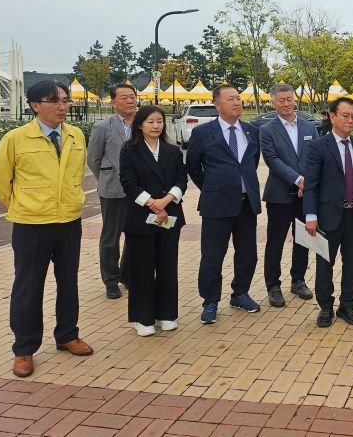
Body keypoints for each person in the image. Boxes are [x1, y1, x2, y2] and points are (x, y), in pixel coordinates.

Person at [0, 80, 94, 378]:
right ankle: (24, 348)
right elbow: (1, 181)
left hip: (69, 221)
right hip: (31, 224)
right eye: (55, 101)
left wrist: (72, 202)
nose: (63, 106)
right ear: (35, 105)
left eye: (65, 100)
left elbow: (77, 176)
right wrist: (24, 205)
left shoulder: (75, 136)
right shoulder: (16, 139)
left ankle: (67, 335)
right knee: (28, 286)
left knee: (68, 281)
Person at [186, 84, 262, 324]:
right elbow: (193, 167)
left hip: (246, 203)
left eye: (239, 98)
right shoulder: (203, 133)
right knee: (212, 255)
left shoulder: (252, 131)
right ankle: (210, 301)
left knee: (247, 253)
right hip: (216, 205)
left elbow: (251, 163)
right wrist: (212, 187)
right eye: (231, 99)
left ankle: (240, 293)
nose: (237, 102)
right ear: (217, 105)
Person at [304, 97, 353, 328]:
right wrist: (310, 216)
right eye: (345, 115)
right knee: (325, 263)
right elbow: (311, 184)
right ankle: (325, 307)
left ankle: (348, 306)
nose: (350, 120)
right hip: (327, 216)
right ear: (332, 116)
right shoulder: (318, 146)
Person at [119, 106, 187, 336]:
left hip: (169, 215)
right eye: (150, 121)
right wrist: (152, 203)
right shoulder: (129, 151)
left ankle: (166, 314)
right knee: (142, 268)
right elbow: (128, 183)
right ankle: (143, 318)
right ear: (140, 125)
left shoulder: (172, 151)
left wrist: (166, 201)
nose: (156, 125)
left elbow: (181, 180)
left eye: (159, 121)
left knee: (168, 266)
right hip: (141, 217)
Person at [259, 83, 317, 307]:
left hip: (305, 195)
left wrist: (308, 182)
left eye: (289, 99)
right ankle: (273, 285)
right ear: (273, 102)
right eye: (281, 100)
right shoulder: (267, 130)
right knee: (276, 241)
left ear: (295, 100)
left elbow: (314, 157)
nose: (286, 103)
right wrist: (298, 179)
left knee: (303, 239)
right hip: (280, 195)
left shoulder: (309, 127)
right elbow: (272, 160)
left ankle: (298, 280)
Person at [87, 83, 136, 299]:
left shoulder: (143, 123)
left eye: (132, 96)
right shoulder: (103, 127)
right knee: (111, 236)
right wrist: (106, 178)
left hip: (139, 191)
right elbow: (93, 159)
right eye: (124, 97)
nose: (130, 101)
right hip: (112, 189)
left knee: (135, 234)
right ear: (113, 102)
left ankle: (127, 274)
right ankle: (110, 279)